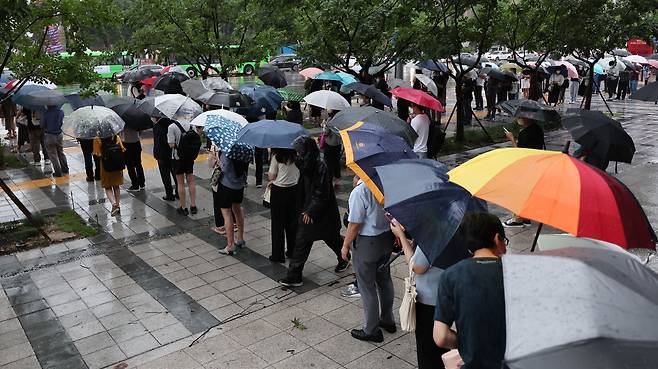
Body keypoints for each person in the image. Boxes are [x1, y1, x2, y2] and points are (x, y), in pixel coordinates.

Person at [433, 212, 507, 369]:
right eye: (504, 240)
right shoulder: (516, 273)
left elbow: (441, 336)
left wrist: (466, 343)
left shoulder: (451, 276)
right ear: (496, 238)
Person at [279, 136, 349, 287]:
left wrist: (310, 211)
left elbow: (321, 192)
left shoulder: (320, 166)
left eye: (299, 151)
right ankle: (295, 275)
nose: (297, 154)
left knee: (327, 238)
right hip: (309, 210)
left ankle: (343, 258)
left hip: (318, 213)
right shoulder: (305, 164)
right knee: (306, 241)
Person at [392, 220, 455, 369]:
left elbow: (417, 266)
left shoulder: (434, 231)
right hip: (446, 294)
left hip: (429, 302)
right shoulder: (454, 226)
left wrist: (400, 235)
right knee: (439, 347)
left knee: (428, 349)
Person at [340, 176, 395, 343]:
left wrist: (345, 245)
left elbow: (355, 223)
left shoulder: (360, 191)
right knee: (384, 281)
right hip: (386, 238)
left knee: (366, 286)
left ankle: (371, 329)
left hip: (367, 242)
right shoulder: (386, 184)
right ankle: (387, 320)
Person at [504, 117, 544, 227]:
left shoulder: (525, 133)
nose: (518, 119)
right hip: (536, 163)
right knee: (528, 190)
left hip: (525, 165)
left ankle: (518, 218)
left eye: (521, 117)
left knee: (519, 191)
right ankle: (526, 217)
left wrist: (511, 138)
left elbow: (519, 152)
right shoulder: (537, 129)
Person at [267, 148, 300, 263]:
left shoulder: (276, 157)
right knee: (292, 223)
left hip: (279, 192)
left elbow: (271, 176)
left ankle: (278, 255)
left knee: (277, 225)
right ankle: (292, 250)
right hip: (294, 191)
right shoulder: (297, 156)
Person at [217, 151, 248, 255]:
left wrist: (217, 161)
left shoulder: (227, 150)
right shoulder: (244, 149)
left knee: (227, 214)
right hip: (239, 185)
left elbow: (224, 168)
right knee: (238, 210)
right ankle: (240, 239)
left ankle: (230, 245)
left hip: (226, 185)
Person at [168, 119, 197, 215]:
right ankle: (193, 206)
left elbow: (171, 144)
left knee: (180, 183)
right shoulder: (191, 125)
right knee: (191, 181)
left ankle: (183, 207)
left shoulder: (172, 126)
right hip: (189, 158)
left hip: (177, 158)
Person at [93, 135, 125, 216]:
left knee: (107, 187)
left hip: (106, 167)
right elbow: (122, 149)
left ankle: (114, 203)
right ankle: (118, 206)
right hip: (117, 166)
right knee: (116, 186)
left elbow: (97, 154)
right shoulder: (116, 137)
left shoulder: (97, 139)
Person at [153, 117, 177, 201]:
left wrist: (157, 155)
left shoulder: (157, 126)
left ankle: (169, 194)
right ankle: (178, 192)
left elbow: (157, 142)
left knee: (165, 175)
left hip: (162, 155)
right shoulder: (173, 123)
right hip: (173, 153)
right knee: (175, 173)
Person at [41, 105, 69, 177]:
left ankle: (58, 172)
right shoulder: (61, 112)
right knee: (61, 152)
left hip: (49, 135)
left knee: (53, 154)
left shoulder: (46, 113)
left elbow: (42, 125)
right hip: (59, 134)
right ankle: (65, 169)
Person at [321, 110, 342, 186]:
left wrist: (324, 125)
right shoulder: (340, 119)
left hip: (329, 143)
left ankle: (329, 179)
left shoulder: (330, 120)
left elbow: (326, 132)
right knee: (336, 161)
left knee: (329, 162)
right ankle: (337, 178)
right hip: (338, 143)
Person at [122, 125, 146, 191]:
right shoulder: (135, 121)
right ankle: (142, 184)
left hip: (126, 144)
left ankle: (135, 185)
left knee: (130, 165)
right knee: (138, 164)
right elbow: (141, 130)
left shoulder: (122, 121)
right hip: (136, 143)